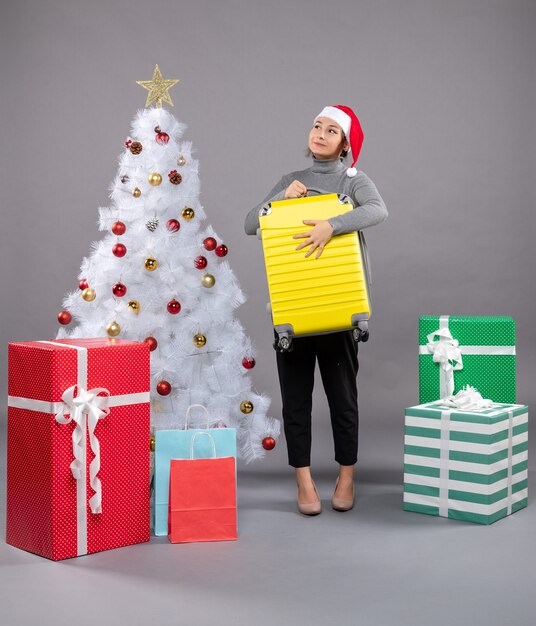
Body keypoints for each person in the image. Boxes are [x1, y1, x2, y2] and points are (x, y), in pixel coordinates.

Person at [244, 105, 387, 515]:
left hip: (339, 305)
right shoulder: (291, 180)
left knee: (343, 397)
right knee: (296, 400)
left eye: (331, 130)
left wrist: (332, 224)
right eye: (316, 126)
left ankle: (347, 475)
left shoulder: (352, 181)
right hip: (295, 307)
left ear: (345, 144)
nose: (320, 134)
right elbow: (252, 223)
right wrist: (278, 199)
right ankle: (303, 480)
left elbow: (377, 211)